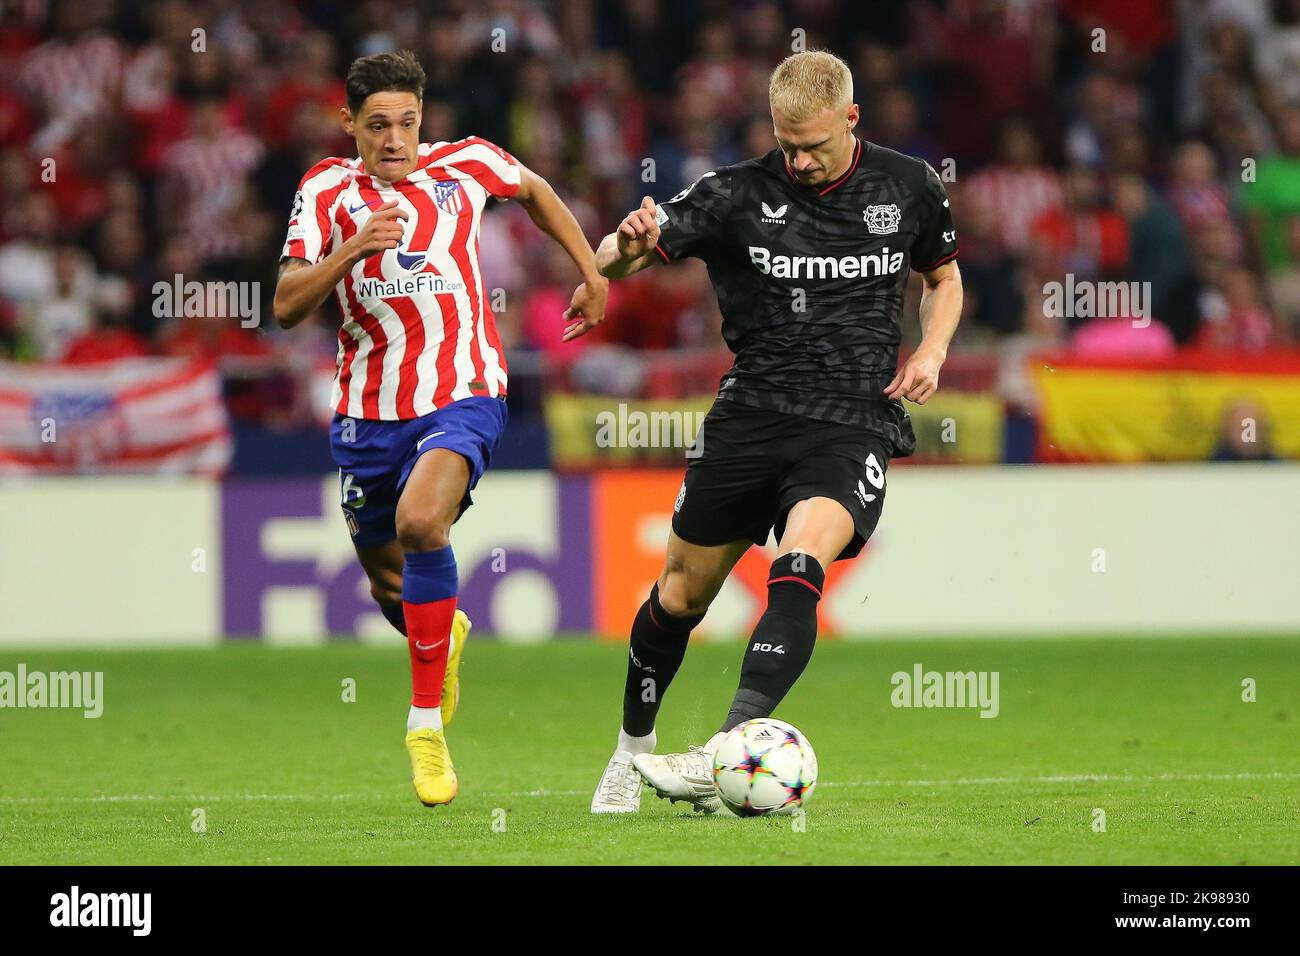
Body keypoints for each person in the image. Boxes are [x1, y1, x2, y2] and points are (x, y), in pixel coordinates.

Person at [588, 50, 963, 814]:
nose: (798, 159)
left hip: (851, 419)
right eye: (786, 143)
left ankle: (726, 751)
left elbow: (945, 278)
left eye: (814, 146)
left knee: (800, 561)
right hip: (750, 414)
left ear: (851, 119)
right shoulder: (734, 193)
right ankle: (630, 754)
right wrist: (624, 243)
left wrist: (932, 348)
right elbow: (613, 261)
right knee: (679, 596)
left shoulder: (910, 185)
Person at [273, 50, 606, 807]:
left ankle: (424, 726)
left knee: (425, 522)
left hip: (464, 390)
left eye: (408, 124)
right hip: (367, 411)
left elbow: (536, 190)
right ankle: (440, 635)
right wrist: (351, 250)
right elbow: (288, 302)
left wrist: (591, 271)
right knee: (389, 580)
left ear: (425, 119)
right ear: (350, 123)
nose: (395, 141)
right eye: (379, 125)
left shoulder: (465, 165)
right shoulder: (325, 191)